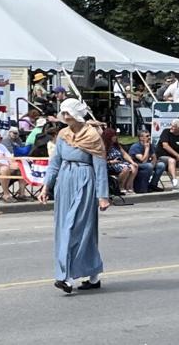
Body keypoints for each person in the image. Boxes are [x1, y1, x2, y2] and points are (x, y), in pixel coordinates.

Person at [39, 98, 109, 293]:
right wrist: (46, 186)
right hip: (65, 180)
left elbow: (100, 167)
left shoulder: (92, 136)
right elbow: (55, 162)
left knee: (77, 228)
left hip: (84, 180)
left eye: (69, 112)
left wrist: (103, 195)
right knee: (64, 228)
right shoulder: (63, 134)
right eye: (64, 113)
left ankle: (66, 277)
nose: (66, 116)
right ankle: (92, 275)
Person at [102, 128, 136, 194]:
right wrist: (111, 161)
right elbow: (102, 160)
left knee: (134, 167)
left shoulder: (116, 145)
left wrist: (132, 162)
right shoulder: (104, 147)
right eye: (114, 135)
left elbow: (124, 154)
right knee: (126, 168)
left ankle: (128, 186)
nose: (115, 137)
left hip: (120, 163)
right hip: (110, 164)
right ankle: (121, 186)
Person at [157, 118, 179, 189]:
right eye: (171, 125)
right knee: (172, 160)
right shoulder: (166, 132)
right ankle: (175, 181)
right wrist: (178, 156)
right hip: (161, 156)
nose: (171, 127)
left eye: (174, 126)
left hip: (176, 157)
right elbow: (165, 146)